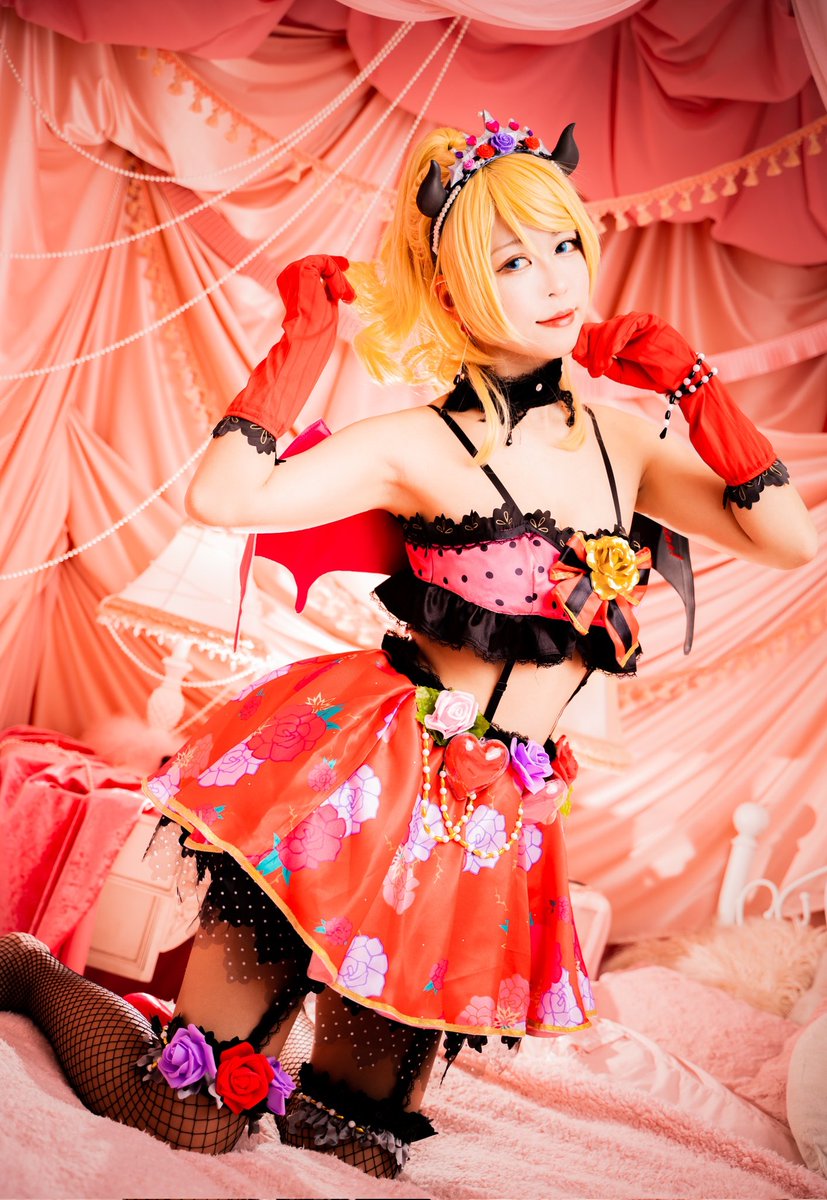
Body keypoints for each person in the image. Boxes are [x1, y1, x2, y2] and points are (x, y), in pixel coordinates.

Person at [1, 112, 816, 1180]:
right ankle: (28, 971)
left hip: (486, 825)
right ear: (452, 290)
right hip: (352, 785)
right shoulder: (414, 443)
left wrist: (693, 388)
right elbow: (223, 495)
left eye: (563, 244)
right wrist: (299, 351)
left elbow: (785, 538)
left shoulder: (624, 443)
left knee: (353, 1146)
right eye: (510, 260)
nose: (554, 280)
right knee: (190, 1114)